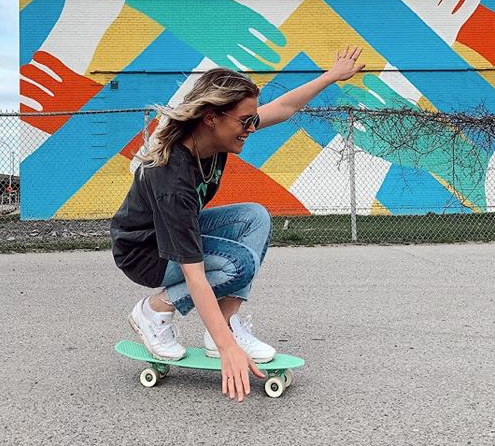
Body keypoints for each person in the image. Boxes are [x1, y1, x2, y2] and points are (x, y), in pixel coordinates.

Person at [111, 47, 365, 402]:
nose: (250, 128)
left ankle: (228, 321)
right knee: (237, 263)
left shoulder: (216, 135)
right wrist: (227, 348)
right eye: (244, 121)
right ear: (212, 118)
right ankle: (154, 311)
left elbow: (285, 108)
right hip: (144, 252)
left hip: (173, 232)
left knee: (254, 217)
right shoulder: (172, 176)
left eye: (251, 119)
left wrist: (330, 76)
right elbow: (196, 276)